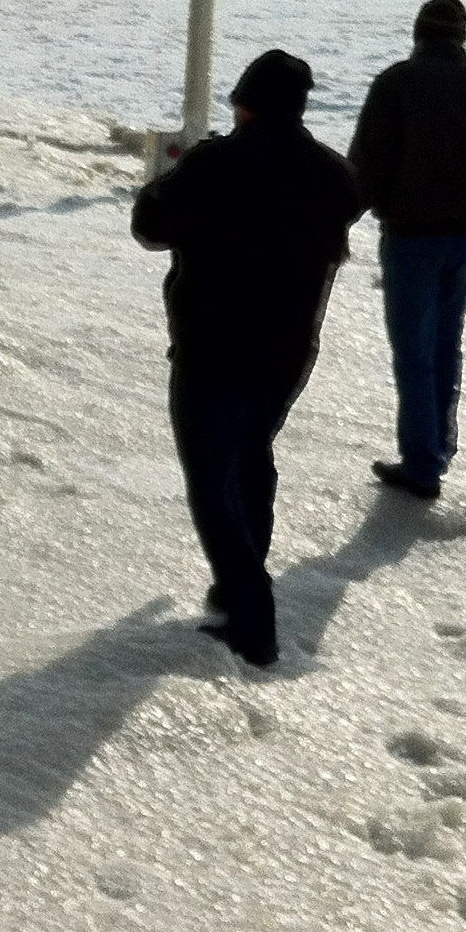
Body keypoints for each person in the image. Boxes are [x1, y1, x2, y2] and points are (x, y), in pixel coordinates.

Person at [132, 50, 364, 667]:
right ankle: (237, 590)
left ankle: (252, 617)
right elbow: (349, 199)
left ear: (245, 104)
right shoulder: (333, 174)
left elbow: (151, 226)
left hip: (212, 343)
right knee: (250, 458)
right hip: (288, 350)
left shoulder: (216, 164)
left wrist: (161, 180)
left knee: (212, 482)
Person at [348, 0, 466, 501]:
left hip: (412, 237)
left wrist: (337, 222)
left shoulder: (395, 85)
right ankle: (437, 448)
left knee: (413, 350)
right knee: (445, 341)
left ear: (418, 35)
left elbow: (364, 171)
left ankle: (422, 467)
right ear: (461, 36)